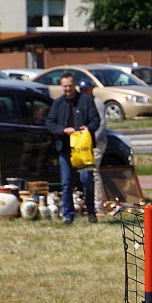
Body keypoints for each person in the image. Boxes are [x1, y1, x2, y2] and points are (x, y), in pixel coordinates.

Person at [44, 72, 101, 225]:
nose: (67, 89)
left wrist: (87, 128)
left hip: (82, 149)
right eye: (64, 86)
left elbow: (96, 120)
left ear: (74, 85)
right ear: (61, 87)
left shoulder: (86, 101)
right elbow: (50, 123)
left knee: (86, 180)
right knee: (66, 182)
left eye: (70, 85)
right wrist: (63, 130)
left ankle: (90, 212)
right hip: (65, 148)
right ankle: (68, 215)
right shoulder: (58, 103)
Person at [77, 78, 106, 220]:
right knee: (84, 172)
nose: (84, 92)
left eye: (86, 89)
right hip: (82, 144)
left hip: (96, 143)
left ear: (91, 89)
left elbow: (101, 125)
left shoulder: (97, 102)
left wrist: (91, 140)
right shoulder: (81, 102)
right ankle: (86, 200)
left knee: (94, 172)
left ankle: (98, 204)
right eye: (82, 90)